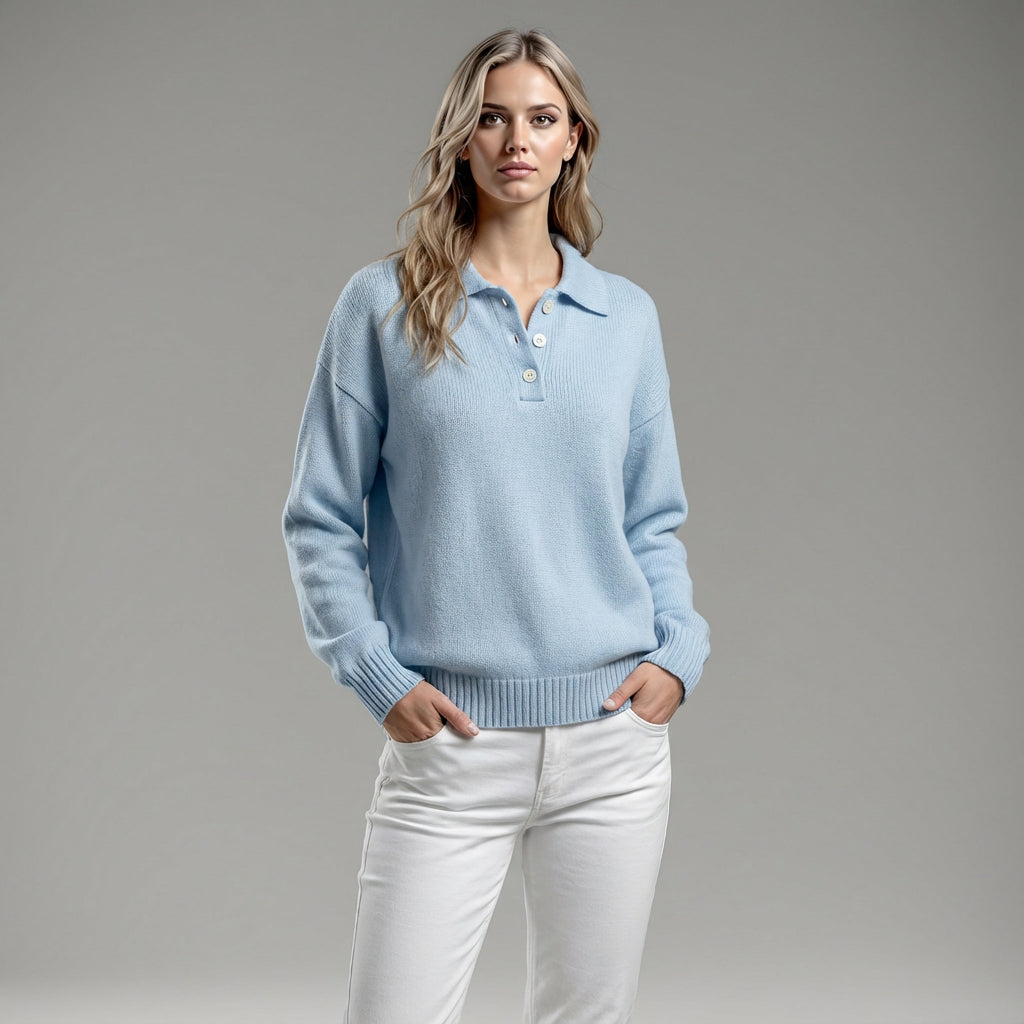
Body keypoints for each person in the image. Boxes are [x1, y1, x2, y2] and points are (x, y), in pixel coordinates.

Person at [281, 26, 711, 1024]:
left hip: (612, 745)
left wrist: (678, 652)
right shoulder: (383, 306)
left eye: (541, 118)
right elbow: (318, 518)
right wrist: (376, 675)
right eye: (491, 117)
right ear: (460, 139)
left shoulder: (625, 319)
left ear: (573, 141)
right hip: (452, 748)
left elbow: (652, 517)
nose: (517, 140)